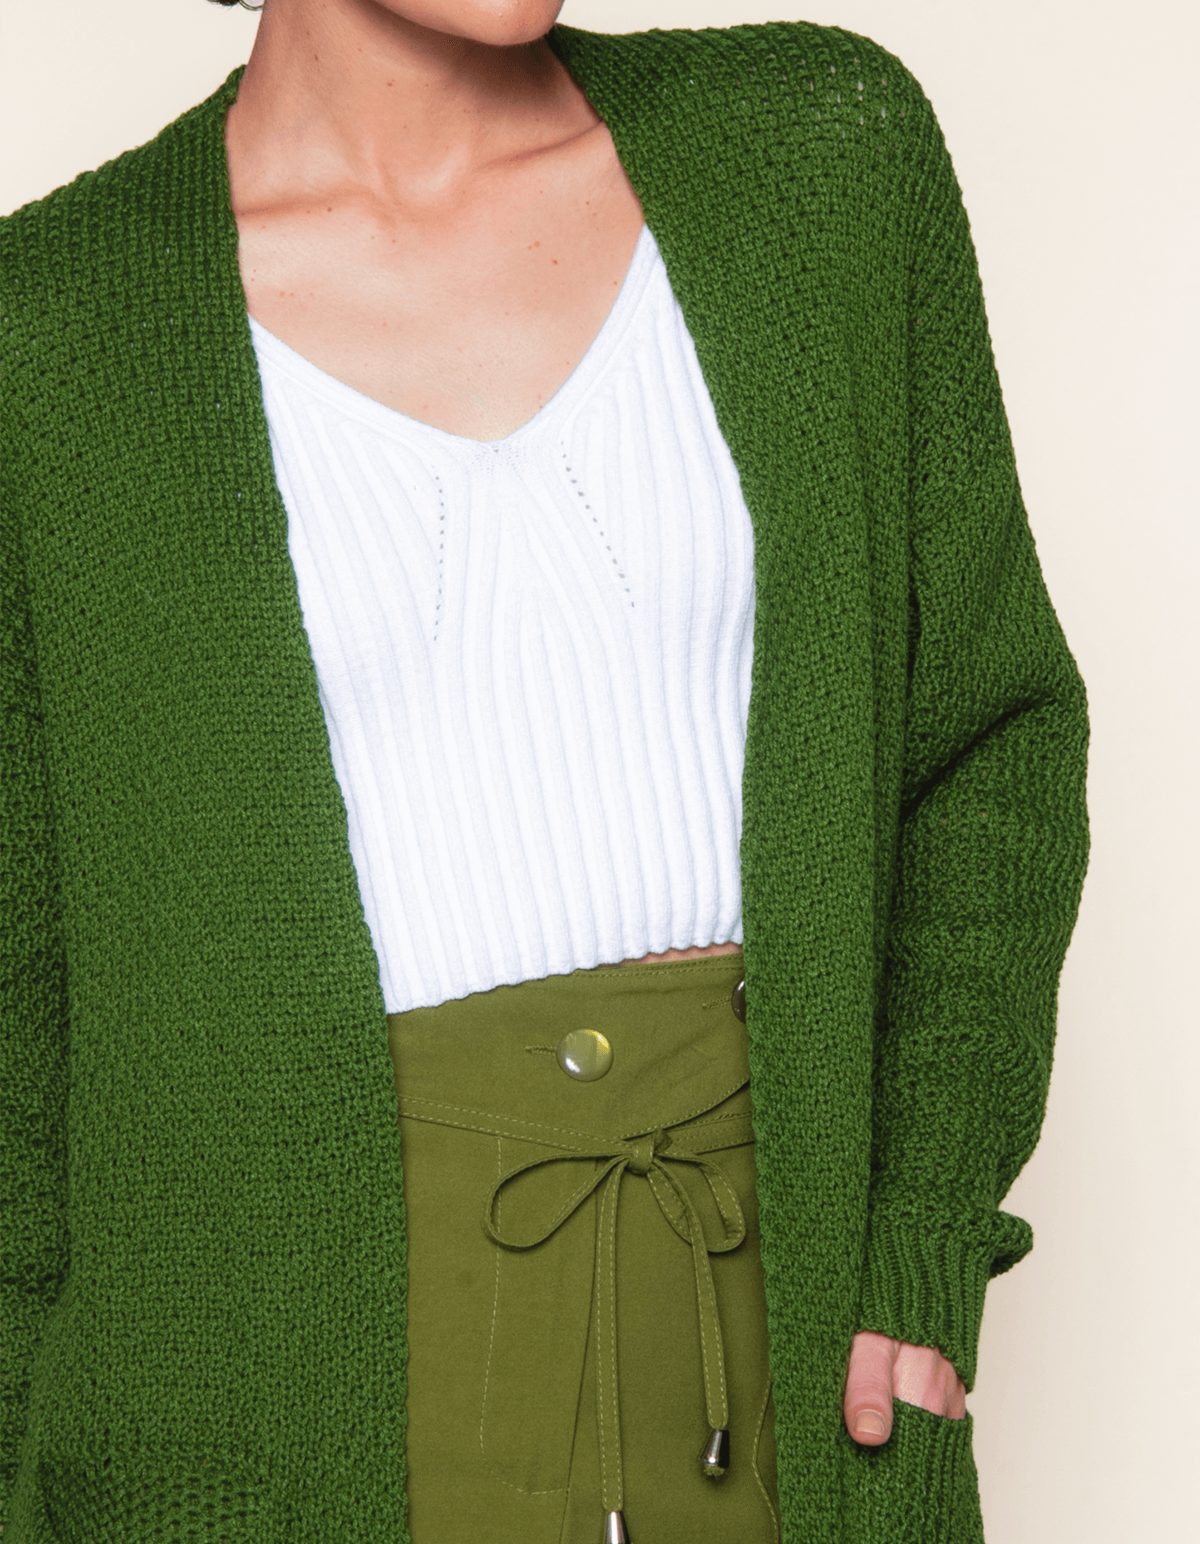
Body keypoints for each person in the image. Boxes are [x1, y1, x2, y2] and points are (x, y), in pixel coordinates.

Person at [0, 1, 1089, 1540]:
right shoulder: (51, 333)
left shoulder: (819, 155)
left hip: (784, 1354)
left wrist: (920, 1240)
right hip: (273, 1406)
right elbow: (20, 1022)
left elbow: (983, 741)